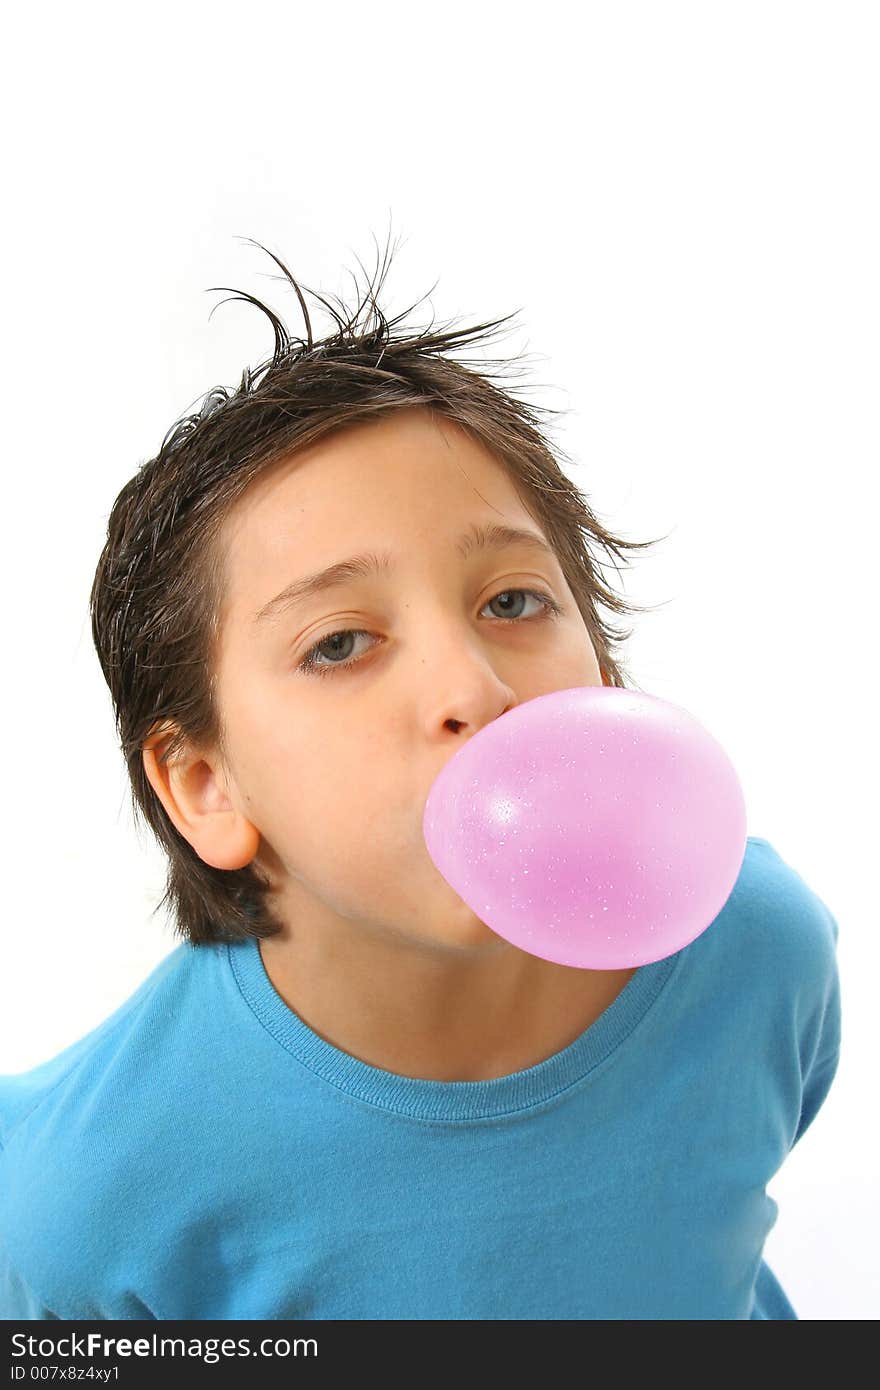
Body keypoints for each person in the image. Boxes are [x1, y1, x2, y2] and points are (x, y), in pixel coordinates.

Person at [0, 235, 841, 1320]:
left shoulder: (753, 948)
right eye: (341, 643)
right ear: (206, 783)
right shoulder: (78, 1195)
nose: (475, 687)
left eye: (512, 601)